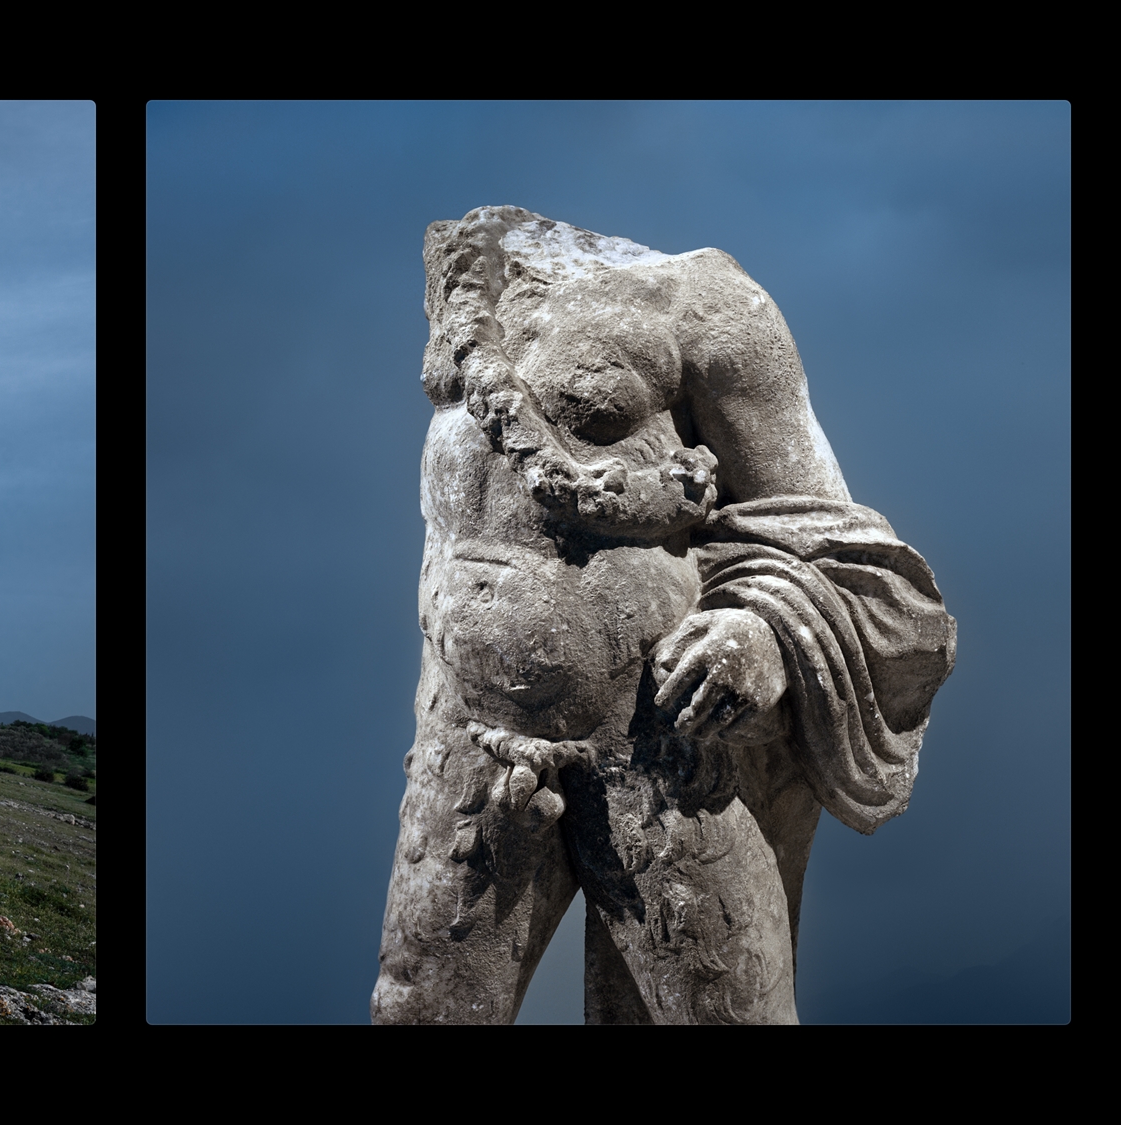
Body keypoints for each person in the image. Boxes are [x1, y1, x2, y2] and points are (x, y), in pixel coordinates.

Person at [372, 207, 956, 1024]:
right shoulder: (466, 290)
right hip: (469, 739)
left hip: (656, 743)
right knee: (415, 1009)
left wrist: (761, 632)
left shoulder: (702, 301)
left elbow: (839, 542)